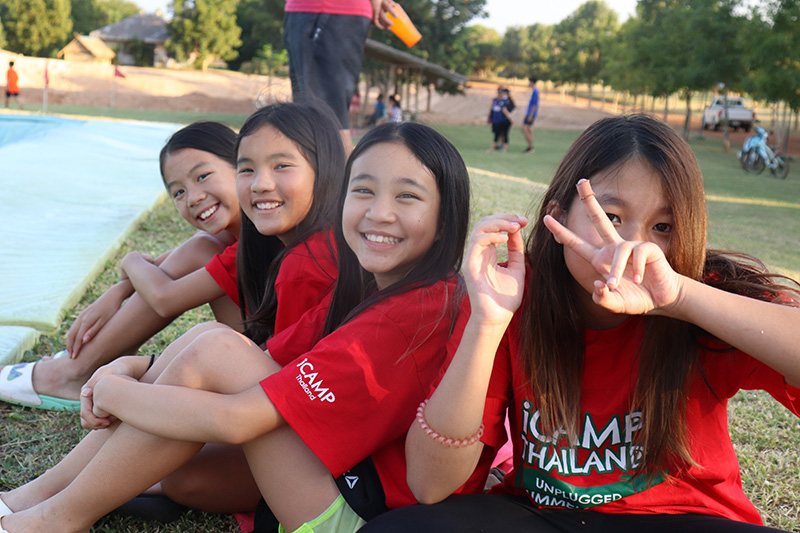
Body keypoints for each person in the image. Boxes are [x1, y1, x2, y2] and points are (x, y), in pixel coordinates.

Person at [0, 121, 477, 533]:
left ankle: (53, 517)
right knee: (187, 457)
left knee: (215, 352)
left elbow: (236, 415)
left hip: (361, 513)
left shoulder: (403, 303)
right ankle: (33, 498)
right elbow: (271, 357)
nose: (379, 212)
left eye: (407, 196)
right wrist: (136, 367)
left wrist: (111, 389)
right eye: (364, 191)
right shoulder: (370, 283)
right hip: (343, 468)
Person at [362, 114, 800, 532]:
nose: (630, 246)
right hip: (548, 517)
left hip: (687, 517)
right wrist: (487, 324)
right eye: (610, 218)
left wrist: (681, 298)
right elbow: (430, 485)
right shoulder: (514, 295)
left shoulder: (703, 295)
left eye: (663, 226)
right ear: (558, 217)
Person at [0, 121, 243, 411]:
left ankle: (74, 373)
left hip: (261, 365)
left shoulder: (257, 237)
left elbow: (165, 297)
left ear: (242, 166)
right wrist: (119, 290)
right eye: (178, 192)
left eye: (202, 176)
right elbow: (172, 265)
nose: (193, 197)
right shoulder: (229, 236)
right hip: (251, 350)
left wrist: (130, 260)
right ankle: (94, 360)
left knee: (200, 250)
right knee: (201, 247)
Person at [283, 0, 399, 153]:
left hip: (325, 10)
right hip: (328, 13)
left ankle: (344, 169)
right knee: (321, 118)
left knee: (323, 120)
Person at [487, 86, 514, 153]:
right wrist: (489, 117)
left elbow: (507, 109)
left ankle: (500, 148)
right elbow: (492, 108)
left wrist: (510, 117)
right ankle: (500, 146)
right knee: (497, 133)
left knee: (502, 134)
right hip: (496, 119)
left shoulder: (505, 101)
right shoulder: (496, 100)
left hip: (503, 120)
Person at [521, 76, 539, 153]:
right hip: (530, 113)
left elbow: (535, 104)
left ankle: (530, 147)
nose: (528, 83)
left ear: (532, 82)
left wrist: (531, 115)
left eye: (529, 82)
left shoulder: (535, 91)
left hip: (530, 114)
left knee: (524, 128)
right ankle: (530, 147)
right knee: (529, 130)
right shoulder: (534, 91)